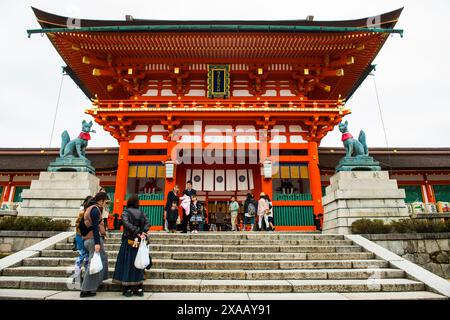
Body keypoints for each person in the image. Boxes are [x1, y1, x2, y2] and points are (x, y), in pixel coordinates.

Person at [112, 194, 151, 297]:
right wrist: (142, 232)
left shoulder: (126, 212)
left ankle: (127, 288)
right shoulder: (142, 213)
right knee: (139, 264)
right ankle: (139, 287)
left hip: (129, 241)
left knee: (127, 263)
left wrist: (136, 231)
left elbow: (126, 223)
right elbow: (148, 223)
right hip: (139, 242)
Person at [80, 192, 109, 298]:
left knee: (103, 258)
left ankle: (98, 281)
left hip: (88, 239)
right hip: (93, 239)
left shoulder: (89, 208)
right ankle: (86, 289)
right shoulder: (95, 209)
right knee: (93, 264)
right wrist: (97, 243)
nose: (106, 204)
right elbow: (95, 227)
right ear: (101, 200)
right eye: (105, 201)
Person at [73, 196, 93, 282]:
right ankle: (79, 275)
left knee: (83, 255)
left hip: (79, 235)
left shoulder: (82, 211)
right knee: (84, 255)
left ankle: (78, 275)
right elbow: (80, 225)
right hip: (82, 236)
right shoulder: (84, 213)